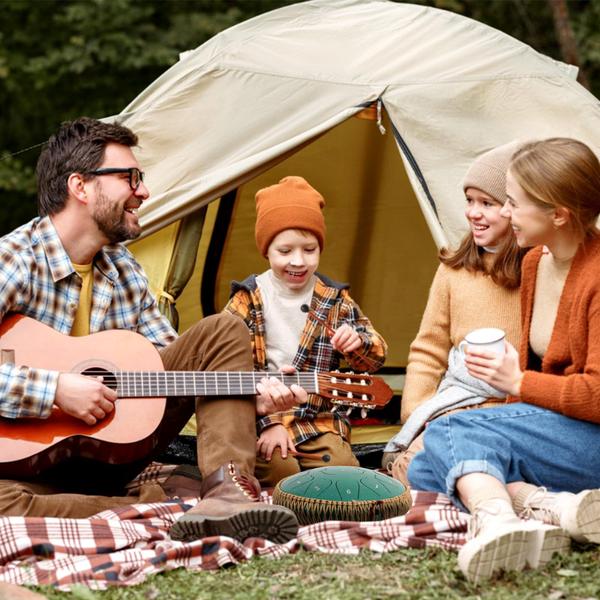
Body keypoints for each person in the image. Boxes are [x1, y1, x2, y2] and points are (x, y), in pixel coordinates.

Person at [0, 117, 307, 544]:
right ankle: (156, 505)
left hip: (112, 454)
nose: (143, 191)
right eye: (131, 178)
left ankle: (228, 497)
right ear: (80, 187)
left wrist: (250, 395)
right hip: (24, 467)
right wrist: (53, 390)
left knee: (222, 331)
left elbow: (178, 361)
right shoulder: (13, 260)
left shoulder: (123, 267)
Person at [408, 138, 600, 583]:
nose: (505, 214)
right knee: (425, 464)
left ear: (558, 214)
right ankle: (553, 506)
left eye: (512, 203)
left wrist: (518, 383)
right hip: (562, 428)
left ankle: (497, 521)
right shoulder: (536, 263)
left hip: (591, 436)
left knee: (451, 434)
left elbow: (594, 394)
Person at [224, 176, 387, 486]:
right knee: (280, 472)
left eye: (309, 249)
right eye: (285, 251)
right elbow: (226, 367)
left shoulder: (334, 299)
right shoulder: (248, 299)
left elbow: (375, 358)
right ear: (266, 250)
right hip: (260, 416)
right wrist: (268, 422)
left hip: (317, 421)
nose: (298, 261)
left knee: (344, 474)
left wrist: (358, 343)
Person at [382, 141, 527, 485]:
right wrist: (418, 412)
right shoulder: (454, 269)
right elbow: (428, 350)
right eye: (469, 201)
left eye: (486, 203)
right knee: (413, 466)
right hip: (451, 405)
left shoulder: (536, 269)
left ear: (514, 208)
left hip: (509, 408)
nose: (473, 213)